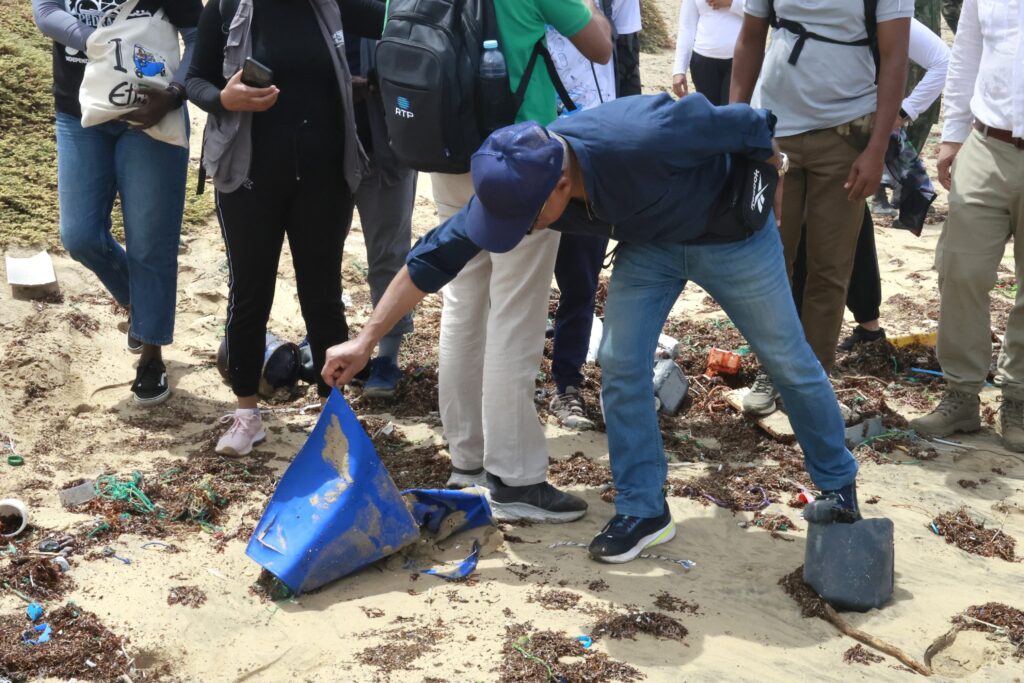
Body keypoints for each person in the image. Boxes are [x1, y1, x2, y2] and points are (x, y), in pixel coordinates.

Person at [322, 94, 861, 563]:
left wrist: (772, 186)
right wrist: (367, 339)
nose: (523, 230)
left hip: (732, 238)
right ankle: (643, 510)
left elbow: (751, 123)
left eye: (528, 219)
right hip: (651, 248)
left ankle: (838, 487)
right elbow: (431, 259)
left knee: (788, 360)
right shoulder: (517, 180)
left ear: (560, 183)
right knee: (622, 364)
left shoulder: (647, 134)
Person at [428, 0, 612, 523]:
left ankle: (466, 462)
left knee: (464, 302)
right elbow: (599, 44)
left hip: (446, 149)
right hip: (522, 158)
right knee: (516, 312)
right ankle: (514, 478)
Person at [185, 0, 384, 456]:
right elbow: (193, 78)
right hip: (248, 177)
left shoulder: (333, 4)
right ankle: (247, 414)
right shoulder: (227, 6)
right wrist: (223, 98)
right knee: (250, 294)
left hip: (325, 178)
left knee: (323, 296)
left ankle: (334, 416)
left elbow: (395, 16)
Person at [731, 0, 911, 416]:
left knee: (829, 267)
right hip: (776, 132)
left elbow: (895, 56)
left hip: (847, 133)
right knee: (771, 262)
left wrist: (877, 148)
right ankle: (773, 370)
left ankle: (812, 380)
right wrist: (738, 120)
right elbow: (751, 36)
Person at [32, 0, 200, 406]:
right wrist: (100, 42)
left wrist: (176, 94)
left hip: (152, 115)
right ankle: (141, 307)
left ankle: (152, 354)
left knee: (150, 241)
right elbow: (44, 10)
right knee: (79, 235)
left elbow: (198, 36)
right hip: (79, 113)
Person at [909, 0, 1024, 450]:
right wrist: (952, 137)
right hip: (987, 142)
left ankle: (1018, 396)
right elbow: (967, 55)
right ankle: (961, 394)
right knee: (960, 271)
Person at [796, 17, 950, 352]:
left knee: (839, 227)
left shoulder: (881, 9)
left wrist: (903, 112)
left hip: (850, 136)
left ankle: (856, 328)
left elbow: (943, 61)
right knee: (844, 225)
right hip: (800, 129)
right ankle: (866, 326)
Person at [544, 0, 640, 431]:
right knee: (517, 281)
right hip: (539, 146)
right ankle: (512, 377)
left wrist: (631, 142)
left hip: (595, 156)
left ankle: (566, 384)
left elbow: (627, 62)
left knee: (581, 282)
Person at [343, 34, 417, 399]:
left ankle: (387, 357)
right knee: (319, 254)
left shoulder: (390, 11)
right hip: (325, 150)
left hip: (389, 147)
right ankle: (328, 342)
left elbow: (418, 65)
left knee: (388, 254)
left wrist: (375, 84)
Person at [672, 0, 745, 105]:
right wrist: (679, 70)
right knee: (709, 118)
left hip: (740, 62)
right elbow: (687, 27)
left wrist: (732, 2)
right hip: (702, 63)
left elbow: (762, 12)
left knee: (732, 117)